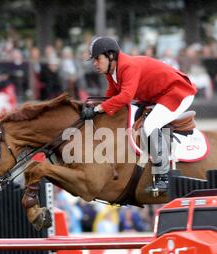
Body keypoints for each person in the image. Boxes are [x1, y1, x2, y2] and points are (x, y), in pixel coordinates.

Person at [83, 37, 198, 195]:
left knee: (150, 125)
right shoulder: (112, 71)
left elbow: (125, 97)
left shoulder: (128, 66)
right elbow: (111, 96)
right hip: (158, 96)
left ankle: (164, 177)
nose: (94, 64)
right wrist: (92, 107)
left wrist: (97, 110)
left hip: (177, 92)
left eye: (97, 59)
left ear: (110, 56)